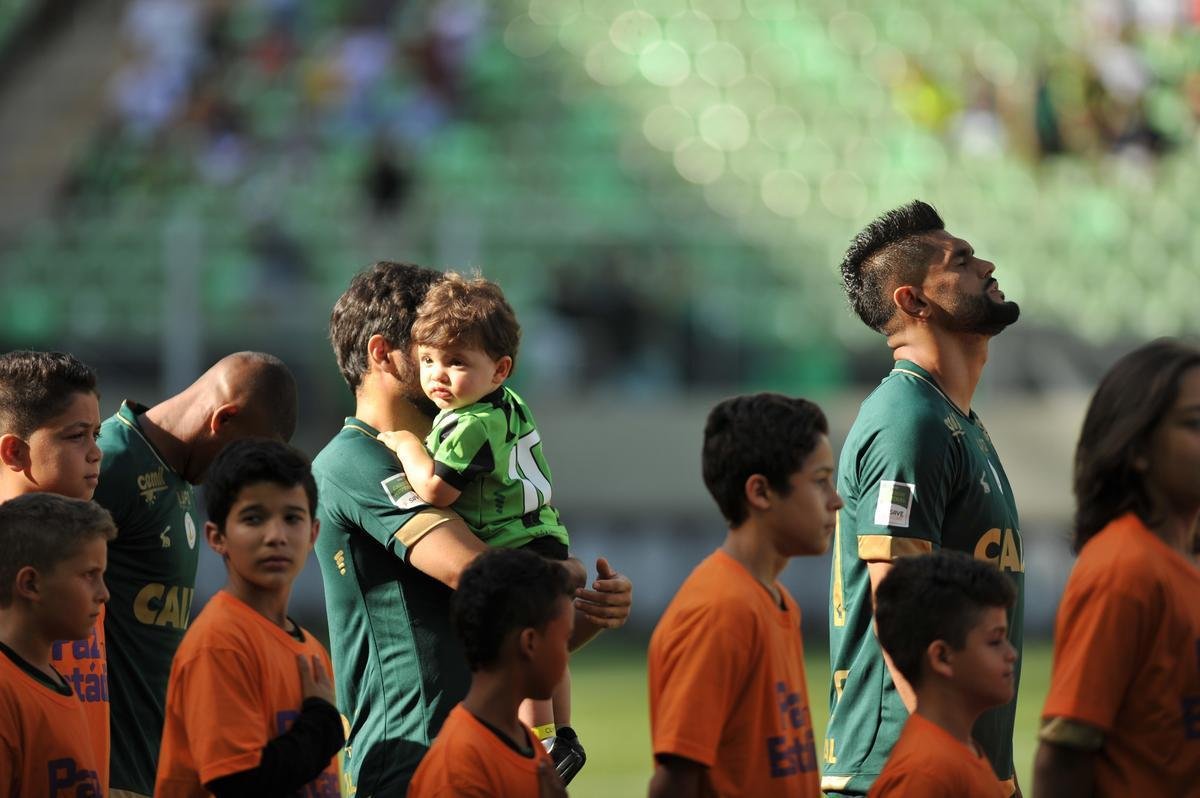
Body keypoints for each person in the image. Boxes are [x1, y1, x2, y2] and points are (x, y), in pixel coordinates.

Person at [313, 260, 633, 797]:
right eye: (428, 345)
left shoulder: (461, 455)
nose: (442, 362)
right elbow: (477, 572)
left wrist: (589, 616)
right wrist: (564, 572)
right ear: (383, 353)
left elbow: (515, 627)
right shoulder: (356, 461)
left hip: (483, 758)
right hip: (411, 758)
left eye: (456, 349)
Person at [823, 200, 1024, 797]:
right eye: (960, 261)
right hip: (903, 772)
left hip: (954, 768)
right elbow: (902, 607)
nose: (985, 264)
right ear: (912, 301)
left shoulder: (951, 419)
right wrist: (952, 770)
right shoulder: (909, 421)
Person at [378, 272, 585, 765]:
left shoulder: (472, 423)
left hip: (514, 542)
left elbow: (437, 490)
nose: (437, 376)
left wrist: (404, 443)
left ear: (500, 369)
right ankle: (564, 732)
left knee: (522, 639)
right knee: (547, 633)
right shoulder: (505, 403)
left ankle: (544, 740)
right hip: (543, 533)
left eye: (456, 362)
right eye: (427, 360)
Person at [94, 351, 298, 798]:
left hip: (159, 773)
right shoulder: (109, 463)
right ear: (223, 419)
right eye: (243, 457)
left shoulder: (178, 477)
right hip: (110, 776)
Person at [647, 393, 841, 798]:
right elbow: (674, 780)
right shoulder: (720, 609)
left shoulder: (773, 599)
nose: (835, 500)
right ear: (761, 492)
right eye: (820, 481)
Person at [1033, 339, 1200, 796]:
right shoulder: (1124, 569)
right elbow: (1063, 754)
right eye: (1195, 424)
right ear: (1138, 448)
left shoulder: (1181, 561)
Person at [154, 439, 343, 797]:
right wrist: (320, 724)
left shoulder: (312, 649)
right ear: (217, 537)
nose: (276, 536)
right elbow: (240, 783)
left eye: (292, 518)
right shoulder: (220, 641)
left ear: (313, 534)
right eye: (253, 518)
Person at [0, 350, 109, 790]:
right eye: (77, 436)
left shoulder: (83, 546)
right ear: (15, 450)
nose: (96, 452)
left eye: (96, 434)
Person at [409, 548, 573, 798]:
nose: (566, 654)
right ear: (529, 643)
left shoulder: (525, 744)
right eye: (564, 640)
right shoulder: (458, 770)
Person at [869, 551, 1017, 797]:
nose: (1012, 653)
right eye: (995, 641)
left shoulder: (960, 749)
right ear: (942, 657)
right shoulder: (924, 774)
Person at [0, 493, 115, 796]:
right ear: (30, 584)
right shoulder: (5, 691)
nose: (104, 594)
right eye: (90, 575)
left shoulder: (57, 681)